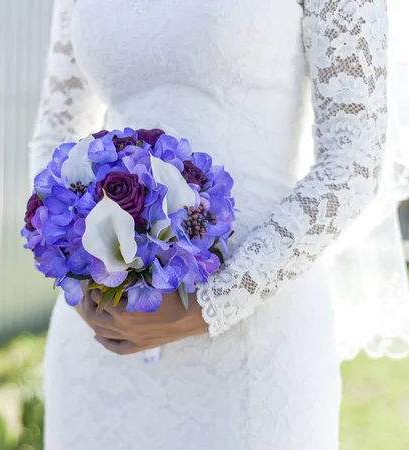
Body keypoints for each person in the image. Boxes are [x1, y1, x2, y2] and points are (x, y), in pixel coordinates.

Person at [28, 0, 409, 448]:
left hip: (255, 340)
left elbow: (353, 162)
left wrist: (207, 308)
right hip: (100, 347)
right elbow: (56, 135)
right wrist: (78, 277)